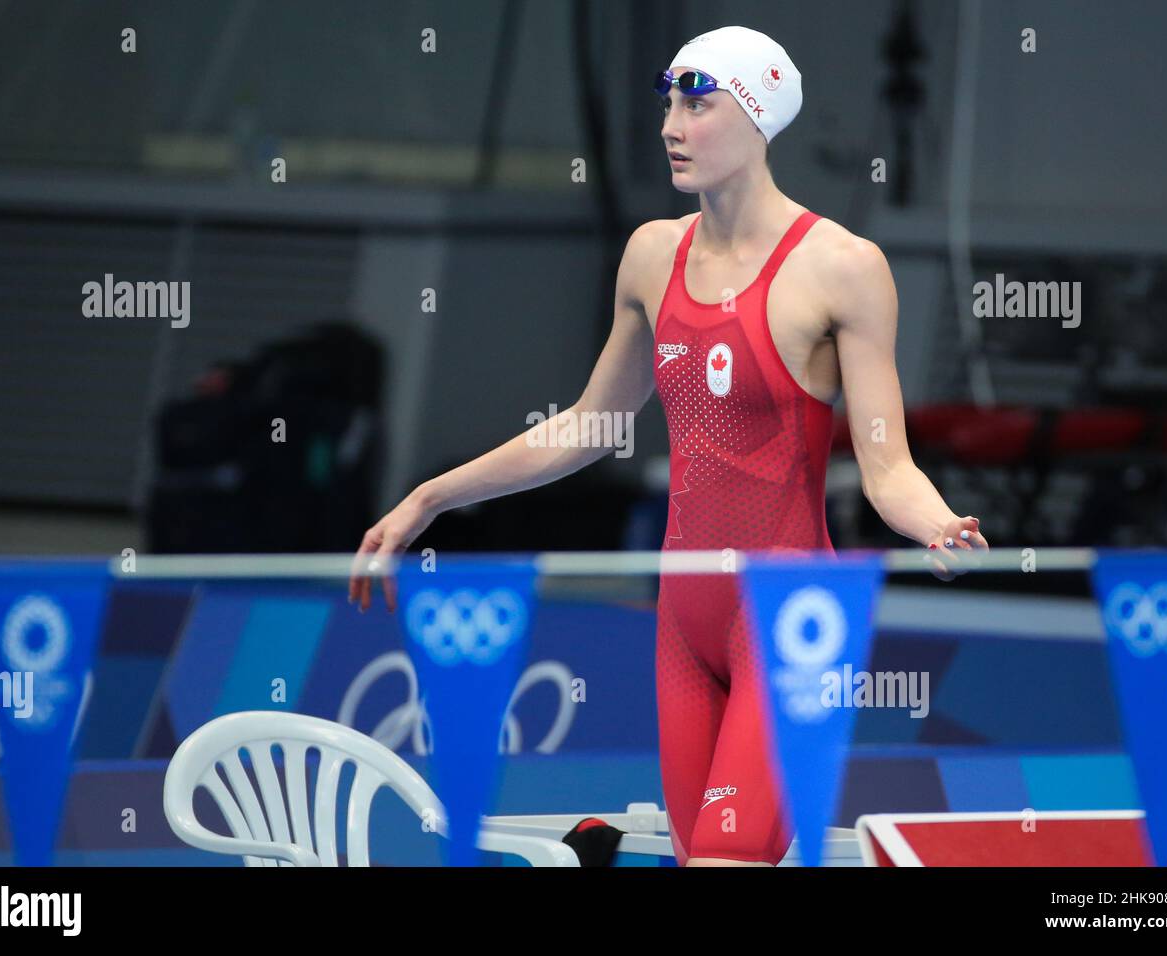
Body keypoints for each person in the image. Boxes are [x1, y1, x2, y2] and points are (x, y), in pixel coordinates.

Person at [348, 25, 989, 866]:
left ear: (757, 115)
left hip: (791, 618)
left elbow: (887, 464)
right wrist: (428, 497)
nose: (671, 127)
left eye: (698, 102)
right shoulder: (652, 255)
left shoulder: (842, 267)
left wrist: (938, 523)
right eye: (669, 105)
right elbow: (586, 427)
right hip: (682, 618)